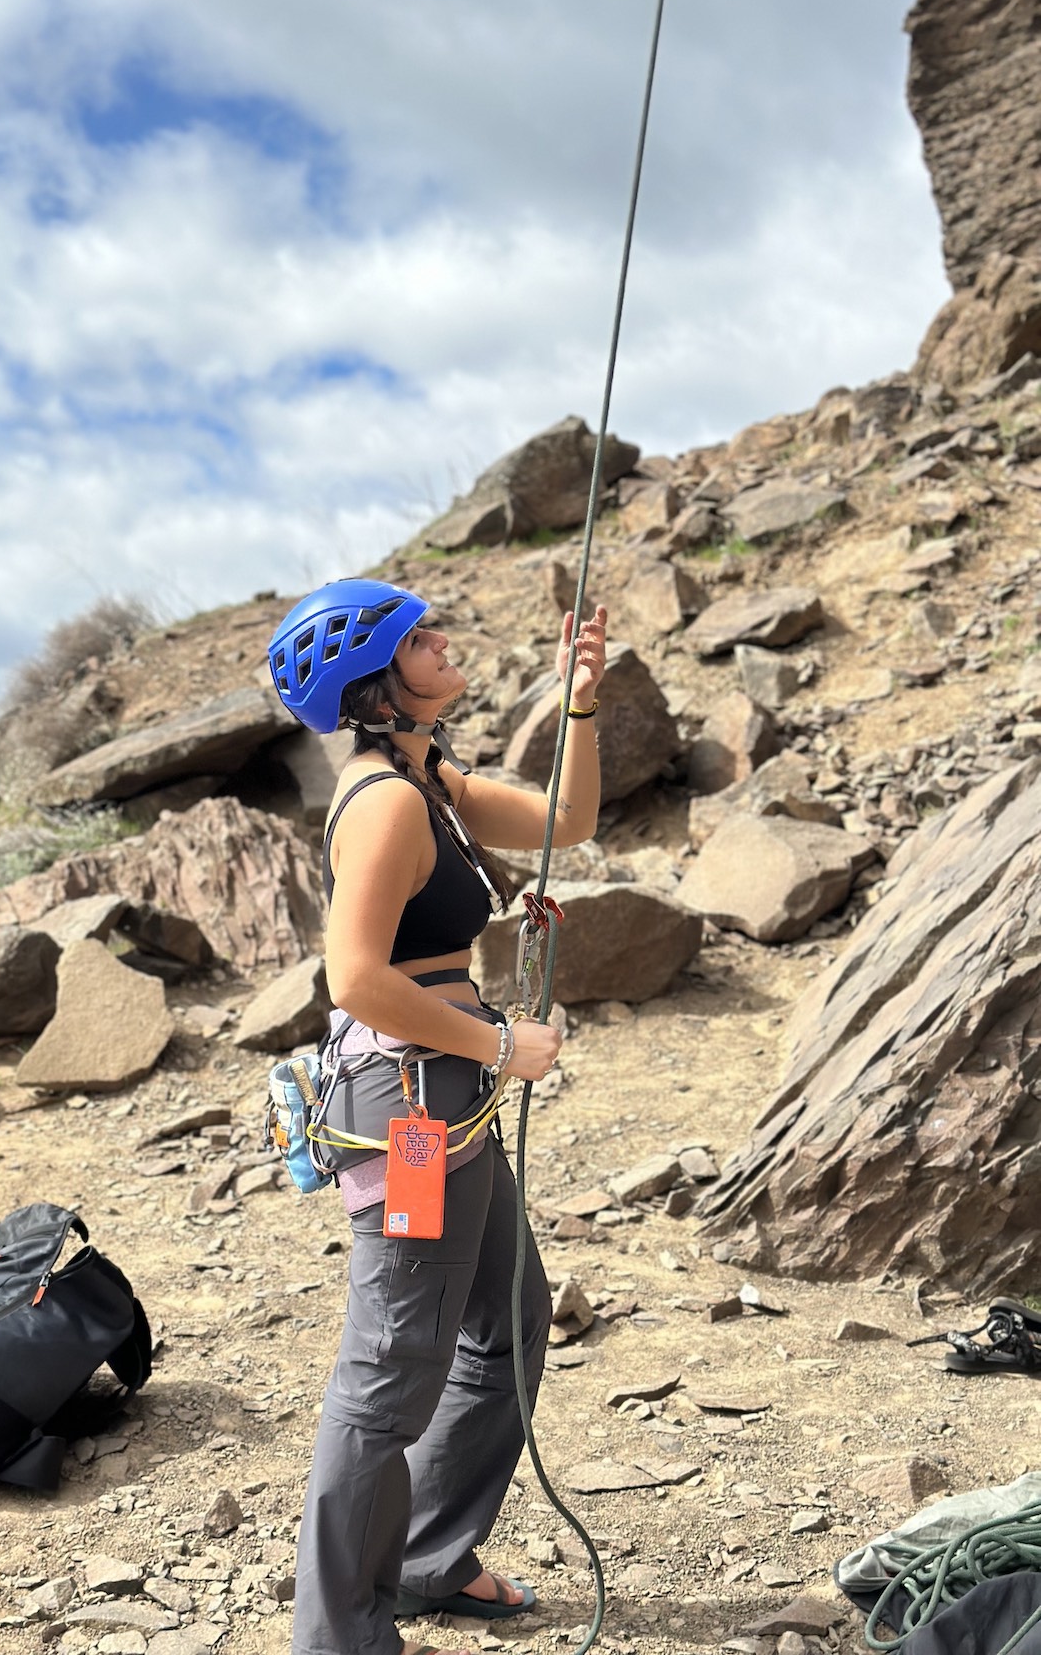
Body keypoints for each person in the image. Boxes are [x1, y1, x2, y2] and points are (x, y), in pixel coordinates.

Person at [266, 577, 607, 1655]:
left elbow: (570, 822)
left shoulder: (434, 781)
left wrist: (582, 705)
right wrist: (505, 1044)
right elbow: (357, 978)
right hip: (413, 1114)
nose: (445, 644)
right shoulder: (385, 804)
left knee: (508, 1317)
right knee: (391, 1365)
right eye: (421, 642)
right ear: (373, 688)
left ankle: (421, 1557)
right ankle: (338, 1637)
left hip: (443, 1100)